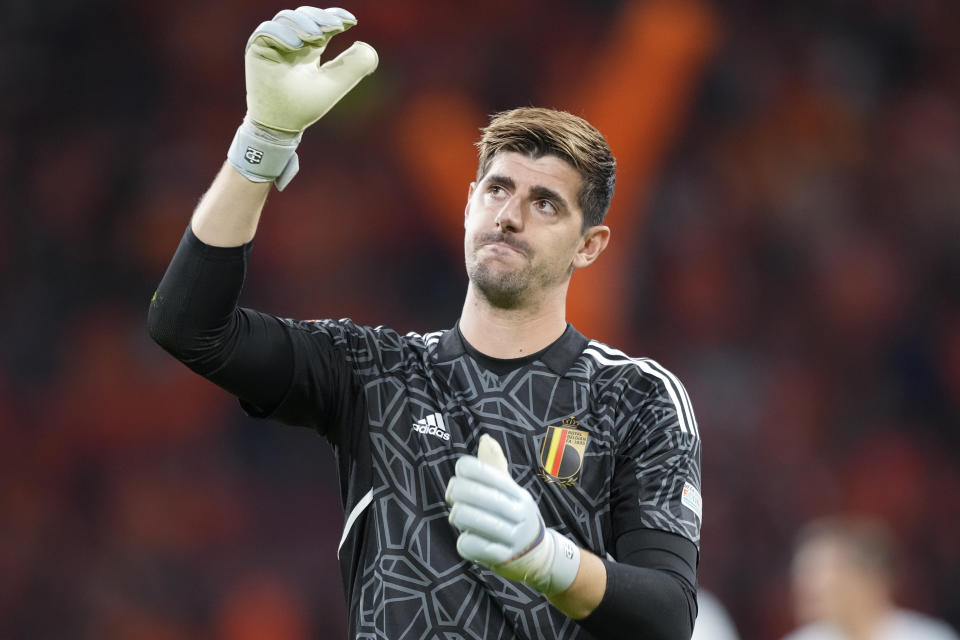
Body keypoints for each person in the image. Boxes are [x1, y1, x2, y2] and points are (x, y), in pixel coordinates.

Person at [148, 7, 702, 639]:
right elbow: (188, 326)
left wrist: (549, 560)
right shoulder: (373, 371)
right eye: (496, 190)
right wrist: (262, 142)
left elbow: (667, 615)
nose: (510, 216)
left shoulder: (637, 397)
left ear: (590, 246)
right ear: (468, 207)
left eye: (544, 203)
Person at [782, 517, 959, 640]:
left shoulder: (928, 637)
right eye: (801, 573)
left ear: (868, 578)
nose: (804, 584)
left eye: (817, 571)